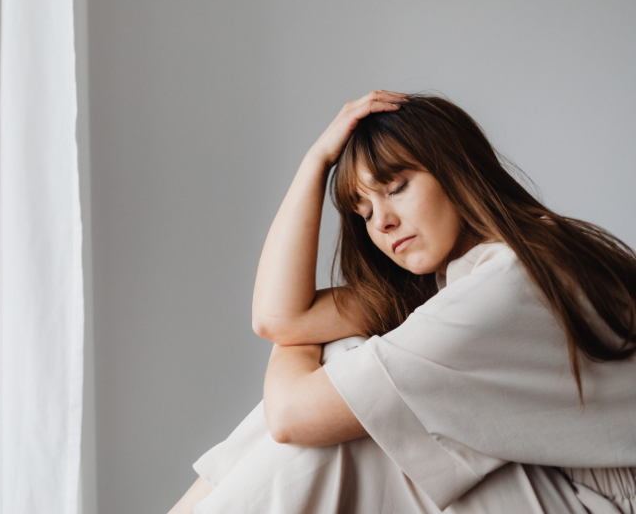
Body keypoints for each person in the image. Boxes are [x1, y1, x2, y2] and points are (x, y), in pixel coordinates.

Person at [168, 92, 636, 514]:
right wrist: (314, 163)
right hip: (566, 487)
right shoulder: (469, 273)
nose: (383, 223)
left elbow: (291, 414)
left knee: (349, 408)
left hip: (600, 502)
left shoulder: (505, 287)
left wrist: (305, 338)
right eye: (364, 212)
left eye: (396, 188)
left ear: (456, 169)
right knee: (348, 378)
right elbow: (279, 318)